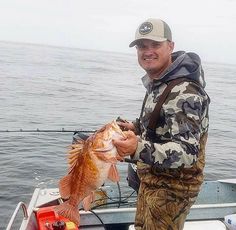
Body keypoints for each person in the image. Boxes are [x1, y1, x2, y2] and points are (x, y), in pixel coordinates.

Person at [113, 18, 210, 230]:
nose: (147, 51)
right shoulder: (161, 82)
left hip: (172, 190)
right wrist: (136, 128)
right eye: (142, 46)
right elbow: (164, 123)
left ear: (171, 46)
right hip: (151, 181)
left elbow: (187, 152)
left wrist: (136, 148)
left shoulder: (185, 92)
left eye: (155, 45)